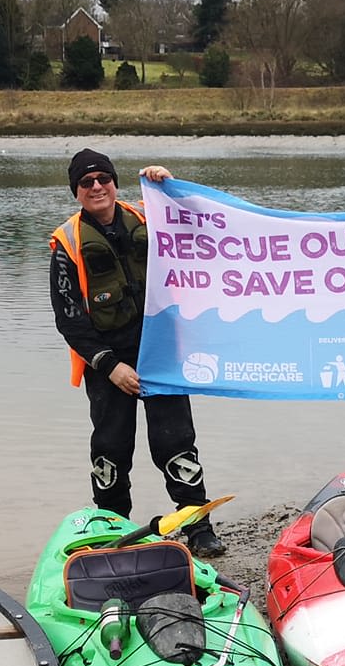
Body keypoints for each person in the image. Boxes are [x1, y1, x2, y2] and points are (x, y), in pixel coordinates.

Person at [49, 149, 226, 557]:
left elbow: (202, 229)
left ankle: (197, 525)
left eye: (103, 179)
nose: (97, 187)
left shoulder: (150, 216)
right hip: (107, 362)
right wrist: (110, 367)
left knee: (176, 441)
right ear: (76, 192)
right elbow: (69, 320)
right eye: (86, 182)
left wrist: (169, 186)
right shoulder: (67, 242)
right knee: (110, 447)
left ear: (114, 183)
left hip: (161, 354)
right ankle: (114, 528)